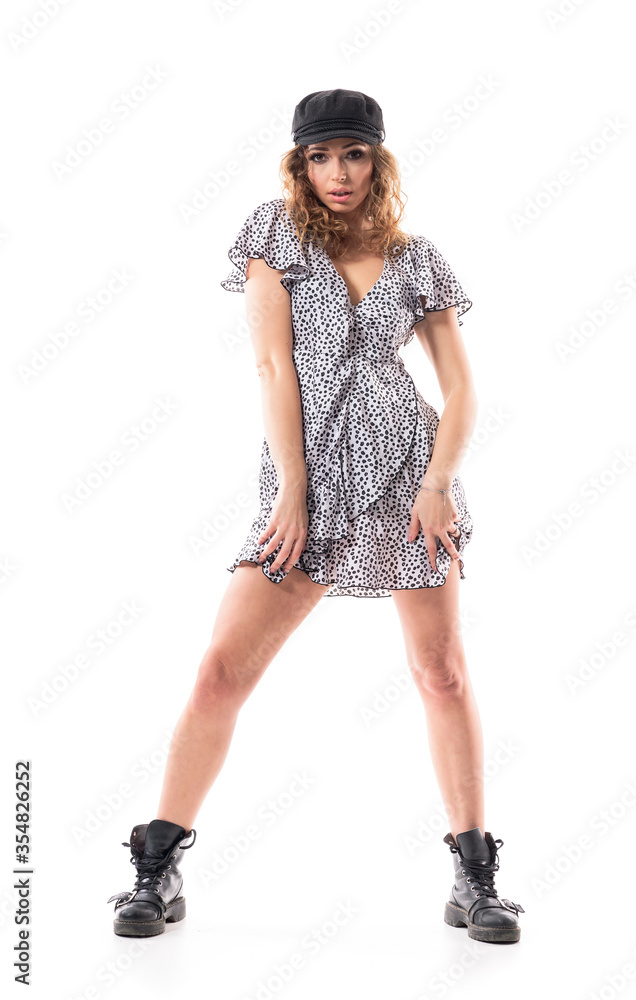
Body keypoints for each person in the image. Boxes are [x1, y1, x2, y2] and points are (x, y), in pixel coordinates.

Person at [106, 89, 524, 945]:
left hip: (409, 480)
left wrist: (438, 482)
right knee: (221, 671)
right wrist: (291, 491)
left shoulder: (416, 259)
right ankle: (157, 865)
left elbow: (461, 390)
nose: (338, 171)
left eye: (354, 153)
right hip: (308, 483)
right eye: (321, 155)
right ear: (299, 164)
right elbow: (271, 368)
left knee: (440, 672)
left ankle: (475, 877)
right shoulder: (276, 239)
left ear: (378, 160)